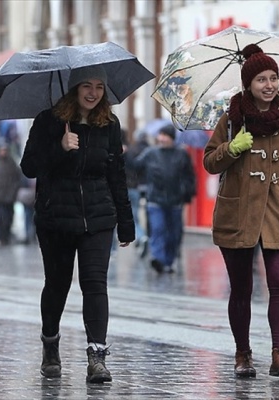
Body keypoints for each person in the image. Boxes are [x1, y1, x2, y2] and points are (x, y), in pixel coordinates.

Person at [203, 44, 279, 378]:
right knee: (241, 288)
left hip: (276, 212)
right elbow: (210, 162)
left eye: (273, 78)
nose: (269, 85)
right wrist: (231, 147)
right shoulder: (230, 120)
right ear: (248, 85)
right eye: (261, 80)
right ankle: (243, 354)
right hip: (237, 213)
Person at [20, 65, 135, 383]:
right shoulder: (48, 121)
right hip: (55, 218)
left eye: (99, 86)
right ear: (74, 88)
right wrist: (59, 148)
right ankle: (51, 345)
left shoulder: (109, 124)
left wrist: (125, 224)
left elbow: (116, 174)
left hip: (98, 217)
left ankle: (96, 357)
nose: (93, 92)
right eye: (86, 85)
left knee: (95, 284)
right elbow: (29, 167)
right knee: (57, 285)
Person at [135, 124, 195, 273]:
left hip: (175, 200)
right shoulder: (150, 153)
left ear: (172, 138)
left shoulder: (181, 154)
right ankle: (158, 259)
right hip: (155, 199)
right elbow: (135, 166)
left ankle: (169, 261)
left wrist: (186, 193)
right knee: (157, 229)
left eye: (165, 135)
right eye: (160, 135)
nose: (161, 138)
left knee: (174, 233)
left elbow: (189, 176)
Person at [123, 128, 150, 256]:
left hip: (128, 187)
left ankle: (141, 236)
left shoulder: (131, 150)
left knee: (132, 215)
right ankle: (142, 235)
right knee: (137, 214)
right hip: (138, 186)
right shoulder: (150, 150)